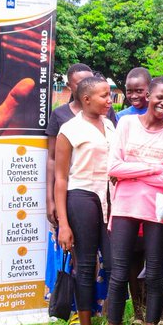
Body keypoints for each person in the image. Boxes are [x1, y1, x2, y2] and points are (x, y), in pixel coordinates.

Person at [100, 77, 163, 325]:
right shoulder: (126, 124)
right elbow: (113, 166)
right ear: (148, 95)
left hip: (156, 212)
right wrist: (151, 167)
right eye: (160, 97)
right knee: (119, 272)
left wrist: (131, 172)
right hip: (124, 208)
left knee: (153, 275)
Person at [52, 76, 114, 325]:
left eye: (110, 95)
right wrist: (64, 224)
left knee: (114, 264)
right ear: (86, 99)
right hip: (82, 197)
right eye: (104, 96)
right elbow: (61, 179)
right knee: (86, 265)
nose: (110, 100)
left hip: (110, 200)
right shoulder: (70, 130)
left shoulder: (111, 125)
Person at [48, 64, 117, 227]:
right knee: (83, 250)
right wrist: (51, 202)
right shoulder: (65, 123)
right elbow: (55, 164)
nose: (109, 100)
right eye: (81, 82)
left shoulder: (108, 121)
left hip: (109, 196)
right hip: (80, 196)